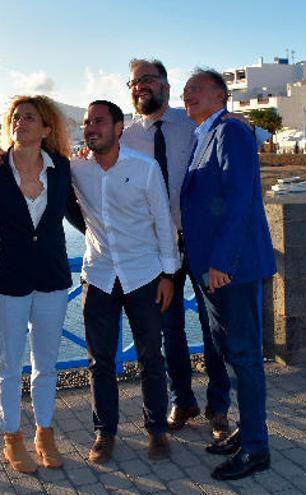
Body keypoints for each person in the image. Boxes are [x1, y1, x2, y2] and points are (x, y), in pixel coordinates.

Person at [119, 59, 232, 440]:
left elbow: (234, 145)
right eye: (135, 82)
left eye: (148, 79)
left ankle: (219, 407)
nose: (141, 87)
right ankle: (181, 399)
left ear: (166, 85)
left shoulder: (195, 123)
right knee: (168, 329)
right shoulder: (126, 137)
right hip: (154, 248)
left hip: (198, 242)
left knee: (214, 327)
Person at [180, 69, 276, 481]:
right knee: (232, 355)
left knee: (245, 358)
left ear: (221, 96)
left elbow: (239, 199)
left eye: (196, 89)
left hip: (229, 271)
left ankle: (256, 448)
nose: (188, 95)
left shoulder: (230, 132)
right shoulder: (205, 135)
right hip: (212, 271)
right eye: (185, 92)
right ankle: (247, 432)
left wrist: (221, 261)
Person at [73, 100, 179, 464]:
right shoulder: (76, 168)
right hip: (99, 275)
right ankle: (105, 431)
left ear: (119, 127)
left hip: (145, 275)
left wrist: (169, 274)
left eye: (99, 121)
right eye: (87, 122)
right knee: (99, 361)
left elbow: (163, 222)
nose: (91, 127)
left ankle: (157, 430)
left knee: (151, 356)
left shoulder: (145, 167)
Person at [0, 95, 82, 473]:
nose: (20, 122)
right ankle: (12, 436)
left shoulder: (63, 171)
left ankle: (45, 432)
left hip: (52, 277)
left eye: (30, 118)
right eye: (16, 117)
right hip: (9, 278)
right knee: (9, 364)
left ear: (46, 129)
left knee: (46, 364)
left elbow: (83, 217)